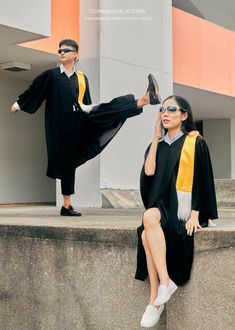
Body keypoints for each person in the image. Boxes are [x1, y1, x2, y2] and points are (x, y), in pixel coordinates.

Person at [10, 39, 161, 216]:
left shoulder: (81, 78)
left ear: (75, 54)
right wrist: (18, 104)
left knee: (106, 109)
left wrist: (94, 112)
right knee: (67, 162)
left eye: (66, 50)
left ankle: (143, 100)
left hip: (79, 119)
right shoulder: (50, 75)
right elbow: (34, 88)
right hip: (59, 127)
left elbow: (85, 102)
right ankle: (67, 205)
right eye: (59, 50)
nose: (62, 53)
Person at [135, 95, 218, 328]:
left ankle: (155, 301)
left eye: (172, 109)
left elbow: (203, 179)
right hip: (161, 206)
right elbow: (149, 172)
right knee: (149, 216)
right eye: (162, 110)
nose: (165, 113)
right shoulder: (157, 146)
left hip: (183, 210)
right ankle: (164, 283)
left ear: (184, 115)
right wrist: (155, 136)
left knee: (145, 234)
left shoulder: (195, 143)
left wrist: (195, 214)